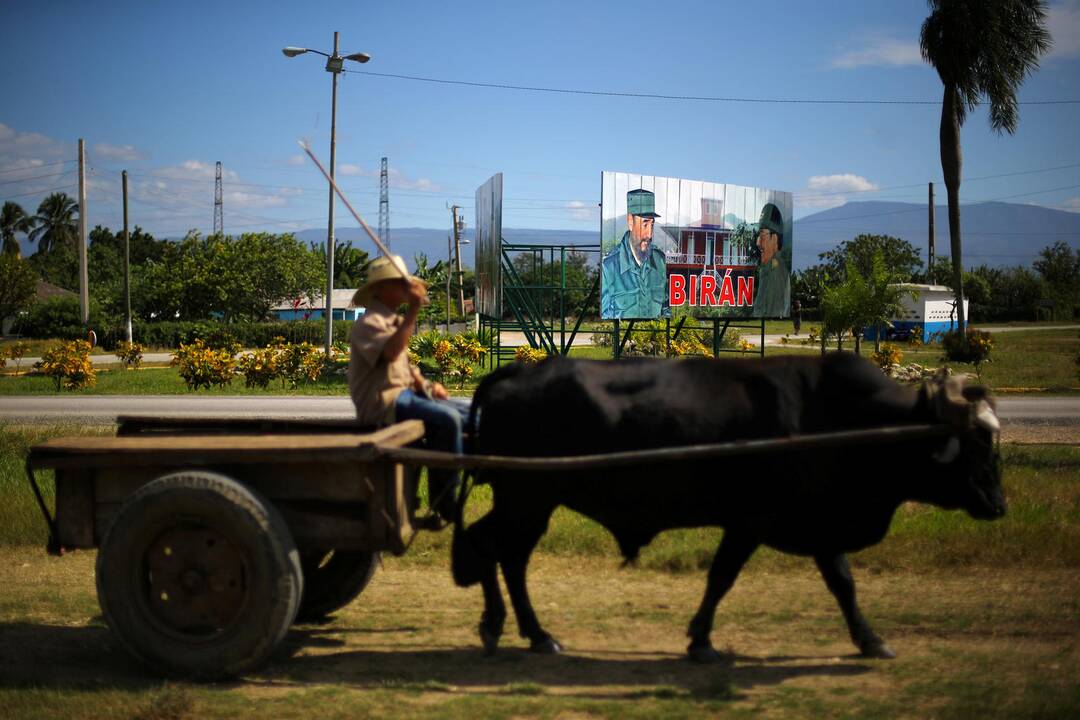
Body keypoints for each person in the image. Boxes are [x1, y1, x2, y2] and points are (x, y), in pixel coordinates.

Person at [348, 254, 470, 523]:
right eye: (399, 282)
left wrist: (429, 386)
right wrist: (414, 309)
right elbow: (392, 353)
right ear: (379, 289)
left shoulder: (393, 322)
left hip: (406, 395)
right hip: (384, 403)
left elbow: (406, 369)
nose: (406, 287)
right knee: (448, 419)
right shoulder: (368, 325)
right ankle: (444, 500)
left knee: (473, 412)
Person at [602, 189, 670, 319]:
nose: (649, 235)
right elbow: (606, 316)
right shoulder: (609, 267)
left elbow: (666, 308)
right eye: (645, 224)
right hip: (624, 337)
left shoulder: (660, 261)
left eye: (652, 225)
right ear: (630, 221)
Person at [752, 202, 790, 318]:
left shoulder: (776, 273)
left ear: (774, 239)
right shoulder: (769, 269)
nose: (758, 242)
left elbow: (773, 313)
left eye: (762, 235)